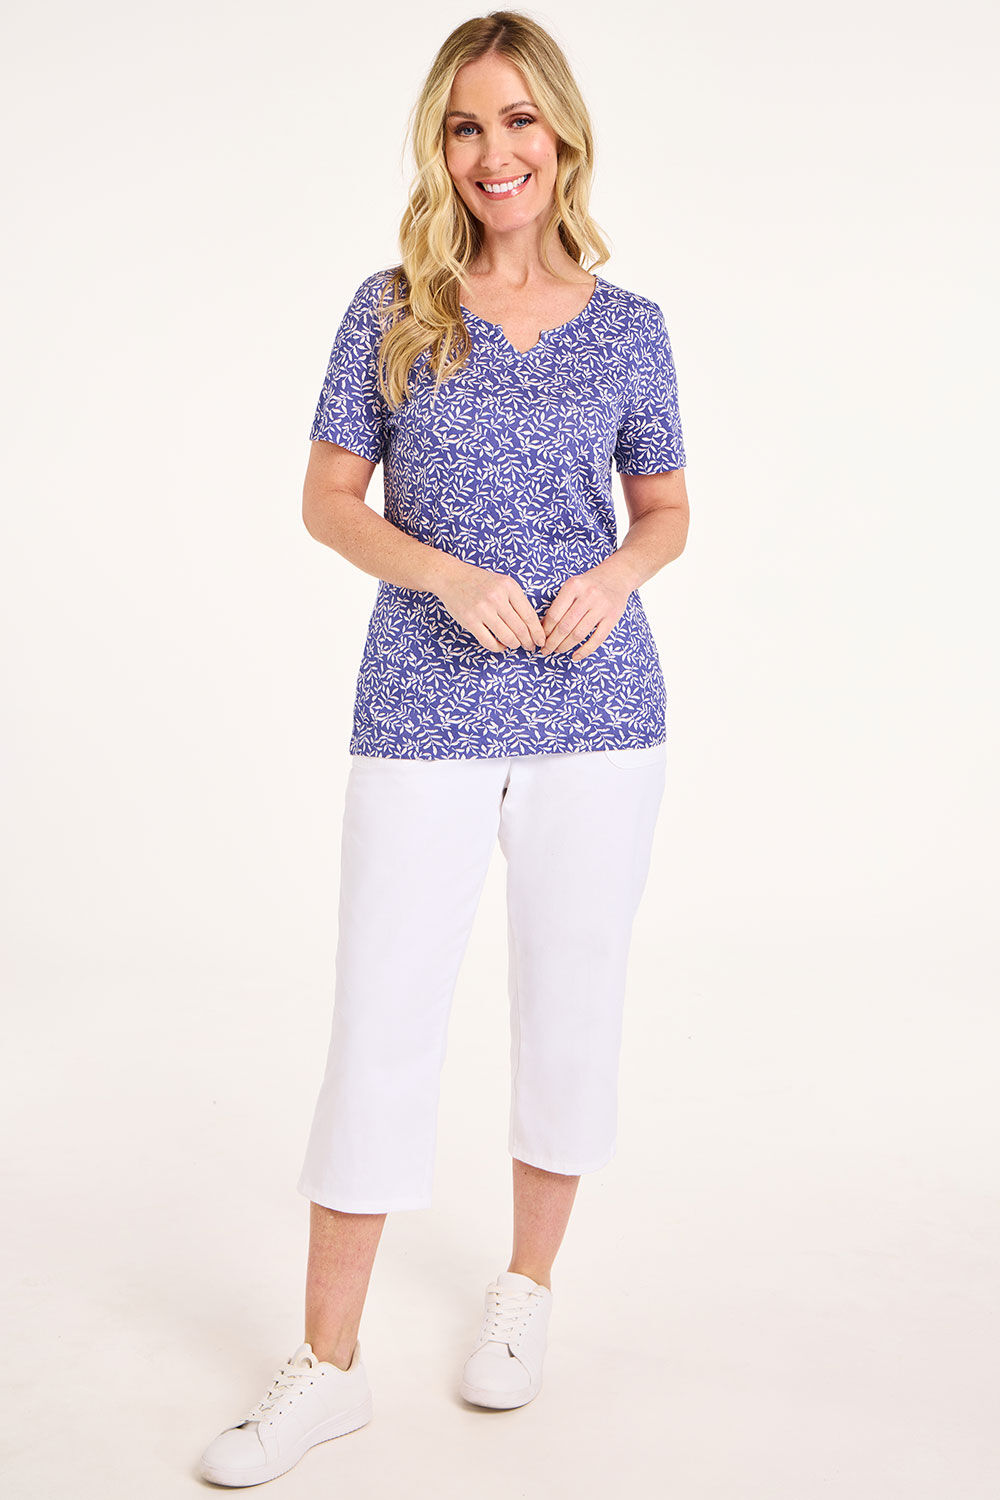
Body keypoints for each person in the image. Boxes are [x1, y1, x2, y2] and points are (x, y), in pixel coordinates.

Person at [198, 8, 689, 1487]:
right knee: (382, 1018)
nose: (494, 152)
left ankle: (525, 1293)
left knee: (571, 1005)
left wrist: (619, 575)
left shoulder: (632, 327)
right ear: (440, 146)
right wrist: (444, 577)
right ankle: (327, 1368)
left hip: (599, 714)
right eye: (467, 126)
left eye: (519, 120)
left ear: (564, 135)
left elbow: (667, 510)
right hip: (421, 704)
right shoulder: (391, 308)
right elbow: (327, 500)